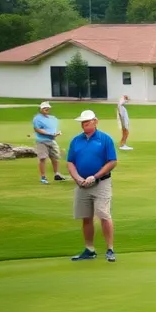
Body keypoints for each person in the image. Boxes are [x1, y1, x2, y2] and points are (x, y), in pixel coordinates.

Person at [66, 110, 119, 261]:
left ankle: (110, 249)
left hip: (101, 183)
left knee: (103, 215)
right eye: (82, 123)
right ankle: (89, 249)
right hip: (82, 184)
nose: (84, 125)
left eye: (87, 122)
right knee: (86, 217)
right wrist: (77, 178)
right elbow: (70, 162)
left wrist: (95, 176)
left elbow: (112, 162)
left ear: (96, 121)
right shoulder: (76, 140)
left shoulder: (105, 139)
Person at [33, 101, 66, 184]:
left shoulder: (53, 118)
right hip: (42, 141)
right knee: (43, 158)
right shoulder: (37, 118)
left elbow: (53, 129)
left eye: (47, 108)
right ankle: (43, 177)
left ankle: (57, 174)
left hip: (52, 140)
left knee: (55, 158)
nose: (46, 109)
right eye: (44, 108)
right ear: (40, 109)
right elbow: (37, 129)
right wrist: (49, 134)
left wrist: (57, 133)